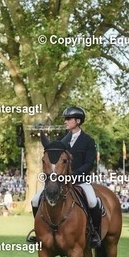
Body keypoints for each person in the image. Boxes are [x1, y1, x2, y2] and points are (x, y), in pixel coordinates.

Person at [27, 106, 101, 248]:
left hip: (80, 181)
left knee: (93, 201)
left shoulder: (88, 141)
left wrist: (73, 175)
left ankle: (94, 233)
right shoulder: (61, 141)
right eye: (65, 119)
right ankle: (38, 232)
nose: (65, 121)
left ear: (78, 121)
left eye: (68, 119)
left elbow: (89, 164)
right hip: (60, 182)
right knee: (35, 200)